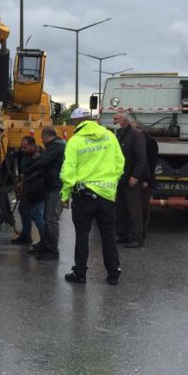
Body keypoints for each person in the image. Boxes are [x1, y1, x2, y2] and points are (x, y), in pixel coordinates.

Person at [60, 107, 124, 285]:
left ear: (76, 123)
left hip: (84, 195)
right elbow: (120, 163)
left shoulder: (75, 141)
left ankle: (80, 273)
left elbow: (69, 171)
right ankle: (113, 274)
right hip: (106, 195)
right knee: (108, 235)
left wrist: (65, 195)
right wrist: (111, 183)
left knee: (82, 235)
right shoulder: (110, 136)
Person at [22, 126, 66, 260]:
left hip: (56, 187)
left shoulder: (57, 146)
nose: (42, 141)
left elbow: (43, 162)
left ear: (46, 136)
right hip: (51, 186)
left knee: (51, 220)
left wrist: (28, 171)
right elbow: (43, 168)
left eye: (42, 138)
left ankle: (52, 251)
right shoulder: (55, 146)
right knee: (47, 218)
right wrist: (27, 179)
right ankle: (45, 245)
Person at [113, 111, 148, 248]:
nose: (114, 120)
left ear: (124, 120)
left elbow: (141, 157)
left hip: (131, 178)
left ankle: (136, 237)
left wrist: (135, 175)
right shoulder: (120, 134)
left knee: (133, 209)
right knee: (120, 208)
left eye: (116, 118)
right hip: (121, 178)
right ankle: (123, 234)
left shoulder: (136, 135)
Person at [10, 136, 42, 246]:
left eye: (25, 148)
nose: (22, 150)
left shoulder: (38, 157)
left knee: (36, 214)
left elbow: (34, 175)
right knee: (23, 209)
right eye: (21, 147)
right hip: (27, 187)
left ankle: (45, 241)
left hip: (36, 189)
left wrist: (22, 184)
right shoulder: (26, 154)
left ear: (33, 146)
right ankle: (26, 236)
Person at [134, 121, 159, 241]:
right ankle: (134, 231)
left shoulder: (148, 142)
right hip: (137, 178)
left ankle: (141, 233)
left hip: (144, 179)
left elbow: (150, 162)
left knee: (142, 207)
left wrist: (147, 179)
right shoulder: (138, 140)